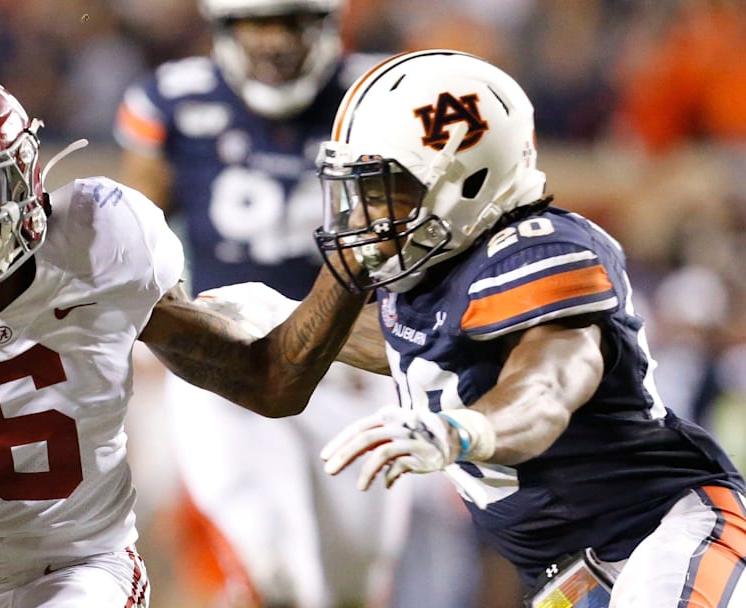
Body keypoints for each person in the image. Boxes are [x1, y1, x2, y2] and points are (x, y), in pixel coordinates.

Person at [0, 65, 369, 608]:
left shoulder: (100, 240)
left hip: (85, 565)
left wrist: (349, 266)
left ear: (25, 174)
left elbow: (268, 382)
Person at [307, 49, 746, 606]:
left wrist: (458, 433)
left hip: (666, 535)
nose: (363, 216)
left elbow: (547, 387)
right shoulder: (425, 291)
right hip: (574, 579)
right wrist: (256, 312)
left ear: (463, 181)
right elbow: (401, 349)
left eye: (383, 190)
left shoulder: (543, 250)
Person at [114, 0, 409, 605]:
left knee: (356, 585)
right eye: (257, 23)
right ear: (225, 28)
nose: (274, 42)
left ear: (325, 24)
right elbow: (140, 238)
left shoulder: (383, 97)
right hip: (237, 356)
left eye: (291, 23)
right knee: (279, 577)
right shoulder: (175, 101)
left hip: (351, 366)